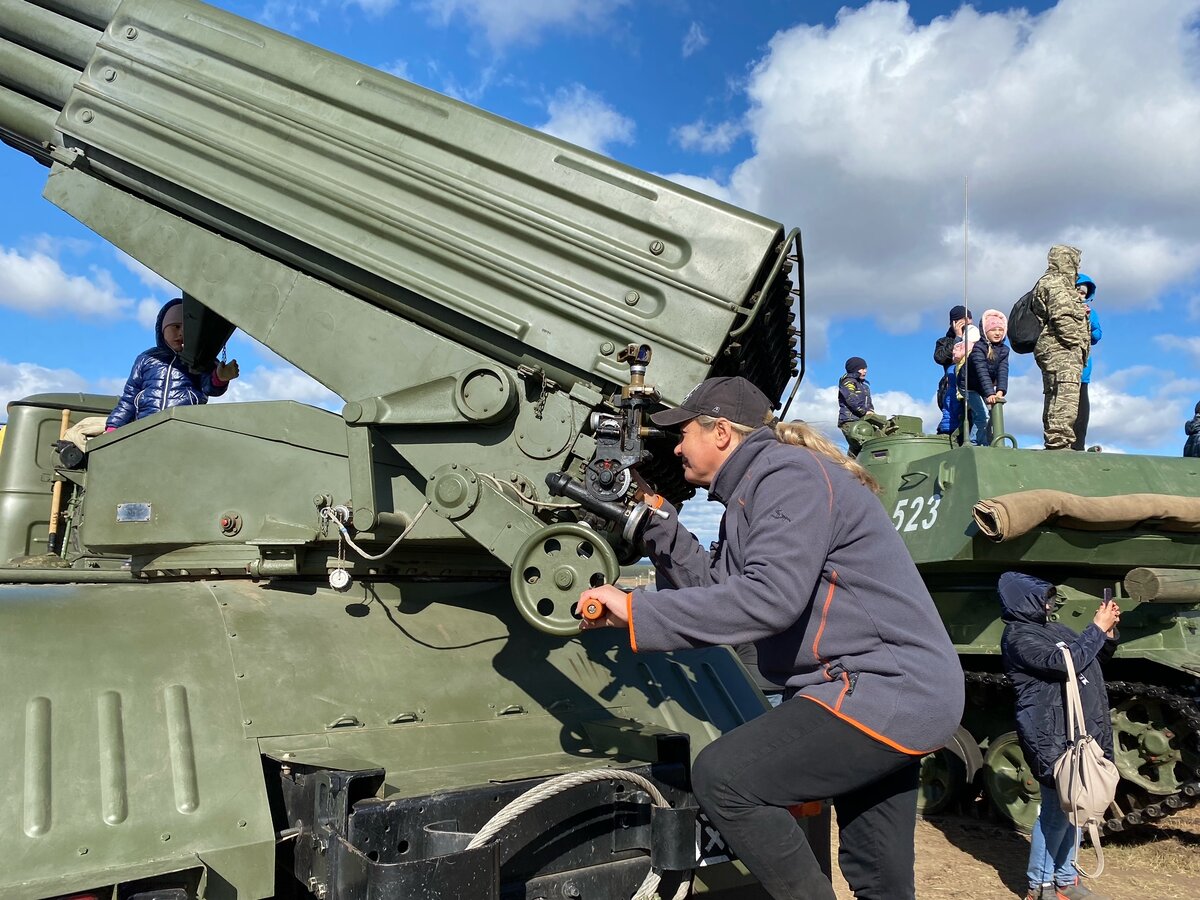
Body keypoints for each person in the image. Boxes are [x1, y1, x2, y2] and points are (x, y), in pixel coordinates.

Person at [576, 376, 965, 900]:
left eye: (683, 432)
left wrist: (635, 610)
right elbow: (719, 589)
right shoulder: (756, 492)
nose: (676, 445)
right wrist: (657, 521)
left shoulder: (787, 475)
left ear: (720, 432)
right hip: (895, 691)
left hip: (882, 687)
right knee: (878, 872)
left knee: (725, 779)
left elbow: (768, 599)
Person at [999, 572, 1119, 900]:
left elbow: (1092, 657)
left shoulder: (1053, 629)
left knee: (1076, 809)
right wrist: (1094, 627)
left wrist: (1106, 633)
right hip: (1050, 733)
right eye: (1044, 597)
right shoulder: (1018, 636)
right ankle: (1039, 884)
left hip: (1078, 730)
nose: (1050, 603)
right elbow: (1062, 662)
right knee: (1055, 811)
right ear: (1027, 600)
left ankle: (1066, 878)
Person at [106, 298, 240, 430]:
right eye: (176, 326)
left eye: (187, 328)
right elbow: (129, 397)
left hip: (183, 427)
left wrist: (220, 377)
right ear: (163, 329)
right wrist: (114, 426)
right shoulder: (147, 358)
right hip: (146, 426)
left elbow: (209, 387)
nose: (181, 333)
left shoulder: (199, 359)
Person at [1032, 246, 1089, 450]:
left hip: (1058, 350)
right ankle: (1059, 441)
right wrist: (1077, 342)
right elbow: (1062, 316)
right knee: (1064, 393)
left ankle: (1057, 440)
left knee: (1056, 394)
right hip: (1061, 350)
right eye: (1075, 262)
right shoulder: (1056, 283)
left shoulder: (1058, 283)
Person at [962, 309, 1010, 446]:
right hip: (969, 385)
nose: (997, 333)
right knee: (983, 415)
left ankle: (984, 442)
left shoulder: (1004, 350)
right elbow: (981, 371)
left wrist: (1000, 390)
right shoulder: (979, 348)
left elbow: (1003, 370)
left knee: (987, 415)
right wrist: (990, 393)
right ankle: (973, 443)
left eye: (1000, 330)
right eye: (994, 329)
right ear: (985, 331)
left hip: (983, 387)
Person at [1072, 275, 1102, 451]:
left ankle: (1078, 446)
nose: (1081, 295)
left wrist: (1087, 320)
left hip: (1083, 372)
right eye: (1078, 290)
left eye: (1084, 293)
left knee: (1082, 411)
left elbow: (1097, 335)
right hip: (1064, 370)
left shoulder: (1091, 312)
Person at [935, 305, 971, 434]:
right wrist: (958, 338)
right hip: (952, 389)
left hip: (972, 388)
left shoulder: (976, 340)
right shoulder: (944, 341)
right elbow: (940, 357)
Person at [837, 356, 879, 456]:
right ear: (854, 369)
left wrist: (871, 414)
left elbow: (869, 404)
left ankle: (852, 466)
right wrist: (864, 412)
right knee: (860, 443)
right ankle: (849, 467)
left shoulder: (864, 386)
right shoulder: (848, 382)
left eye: (866, 368)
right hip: (849, 420)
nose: (865, 371)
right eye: (862, 369)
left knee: (865, 447)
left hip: (862, 420)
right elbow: (851, 399)